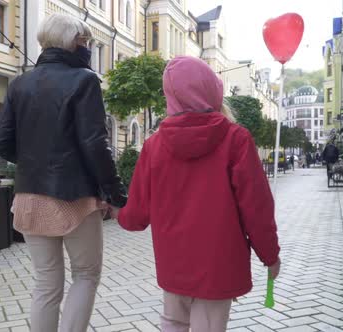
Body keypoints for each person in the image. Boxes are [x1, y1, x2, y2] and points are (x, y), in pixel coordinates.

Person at [110, 56, 281, 332]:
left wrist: (118, 213)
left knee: (173, 323)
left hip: (174, 262)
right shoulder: (236, 139)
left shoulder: (154, 146)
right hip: (220, 262)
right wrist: (270, 255)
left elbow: (138, 215)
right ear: (212, 90)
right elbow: (257, 208)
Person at [0, 14, 127, 332]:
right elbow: (95, 142)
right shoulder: (84, 79)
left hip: (28, 197)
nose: (88, 46)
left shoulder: (19, 83)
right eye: (86, 40)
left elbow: (0, 141)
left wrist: (33, 160)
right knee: (86, 275)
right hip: (74, 197)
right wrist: (116, 193)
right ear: (71, 41)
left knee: (46, 284)